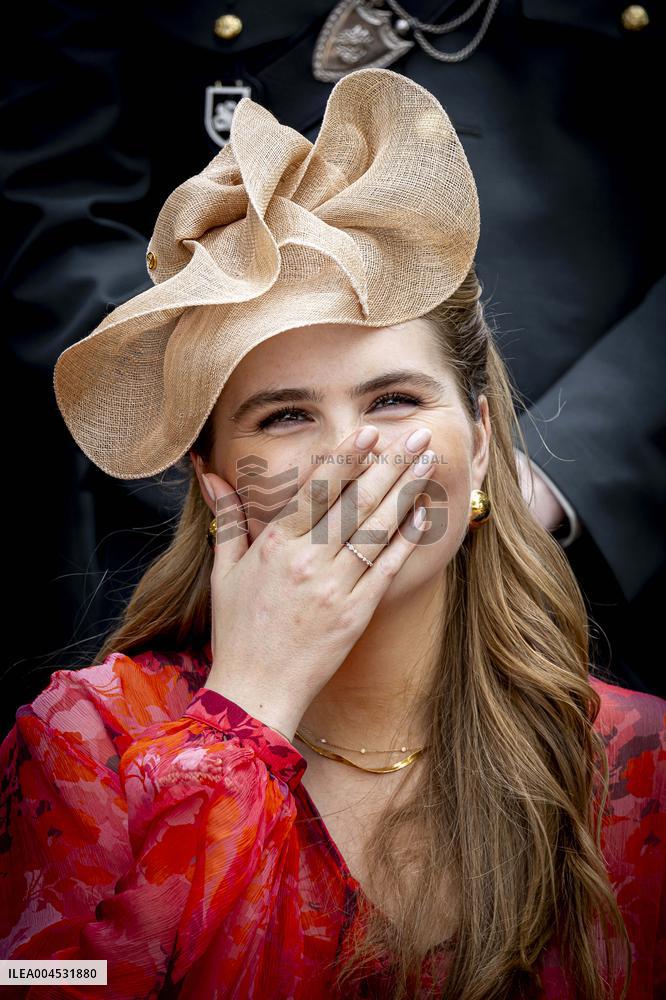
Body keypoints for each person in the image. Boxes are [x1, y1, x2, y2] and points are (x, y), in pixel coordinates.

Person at [1, 68, 663, 1000]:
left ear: (479, 446)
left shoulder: (634, 760)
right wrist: (246, 714)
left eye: (394, 399)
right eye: (283, 417)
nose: (352, 454)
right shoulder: (83, 738)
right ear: (214, 478)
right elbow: (42, 984)